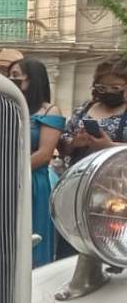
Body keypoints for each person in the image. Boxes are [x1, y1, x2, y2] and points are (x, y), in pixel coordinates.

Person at [56, 55, 127, 258]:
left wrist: (109, 146)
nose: (109, 92)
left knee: (111, 242)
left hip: (117, 190)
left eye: (116, 87)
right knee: (73, 238)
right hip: (78, 186)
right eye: (103, 87)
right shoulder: (84, 109)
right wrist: (74, 143)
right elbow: (63, 145)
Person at [7, 58, 64, 268]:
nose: (11, 80)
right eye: (10, 75)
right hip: (1, 180)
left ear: (34, 79)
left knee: (32, 239)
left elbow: (44, 154)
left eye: (16, 75)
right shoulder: (7, 106)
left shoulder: (50, 111)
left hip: (31, 182)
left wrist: (10, 172)